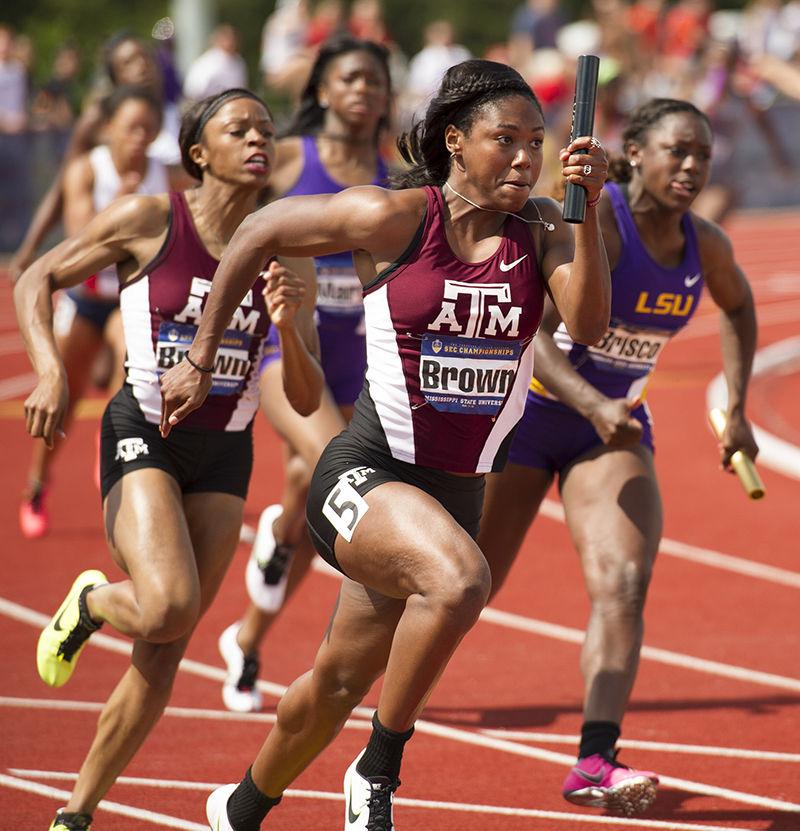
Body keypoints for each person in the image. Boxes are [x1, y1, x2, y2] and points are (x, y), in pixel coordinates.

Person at [160, 59, 611, 831]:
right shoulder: (396, 217)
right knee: (464, 581)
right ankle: (379, 768)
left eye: (537, 143)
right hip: (364, 474)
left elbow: (590, 326)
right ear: (455, 142)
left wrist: (589, 209)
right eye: (506, 140)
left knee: (333, 683)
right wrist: (203, 355)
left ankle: (239, 807)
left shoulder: (542, 230)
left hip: (453, 491)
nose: (526, 158)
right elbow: (262, 227)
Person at [14, 88, 323, 831]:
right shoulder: (154, 219)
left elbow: (307, 398)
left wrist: (293, 325)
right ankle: (91, 601)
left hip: (225, 453)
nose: (257, 139)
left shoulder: (284, 246)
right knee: (166, 605)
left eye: (266, 129)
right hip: (142, 432)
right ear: (198, 153)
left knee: (162, 653)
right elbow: (34, 280)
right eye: (237, 128)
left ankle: (74, 814)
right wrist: (53, 371)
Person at [477, 98, 758, 816]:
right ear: (635, 152)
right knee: (466, 587)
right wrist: (590, 402)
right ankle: (364, 697)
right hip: (528, 416)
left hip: (611, 434)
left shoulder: (707, 246)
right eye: (676, 152)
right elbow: (527, 330)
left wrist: (739, 407)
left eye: (701, 154)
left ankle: (594, 759)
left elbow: (740, 306)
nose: (692, 166)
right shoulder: (597, 221)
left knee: (625, 581)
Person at [218, 33, 392, 714]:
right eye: (348, 78)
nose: (362, 90)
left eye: (375, 80)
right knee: (338, 474)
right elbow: (219, 207)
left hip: (364, 360)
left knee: (312, 494)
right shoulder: (289, 160)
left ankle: (247, 637)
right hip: (285, 348)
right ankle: (282, 536)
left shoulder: (394, 175)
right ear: (322, 90)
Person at [19, 86, 168, 539]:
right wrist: (120, 204)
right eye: (131, 128)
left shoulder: (165, 173)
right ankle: (38, 482)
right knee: (64, 395)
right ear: (108, 129)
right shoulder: (88, 169)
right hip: (85, 301)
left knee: (136, 374)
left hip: (130, 301)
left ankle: (110, 442)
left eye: (149, 128)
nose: (140, 138)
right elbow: (80, 236)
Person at [10, 32, 183, 282]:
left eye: (145, 57)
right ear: (115, 77)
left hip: (163, 256)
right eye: (128, 62)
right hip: (106, 260)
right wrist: (29, 248)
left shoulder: (179, 113)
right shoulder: (97, 120)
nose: (141, 66)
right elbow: (62, 186)